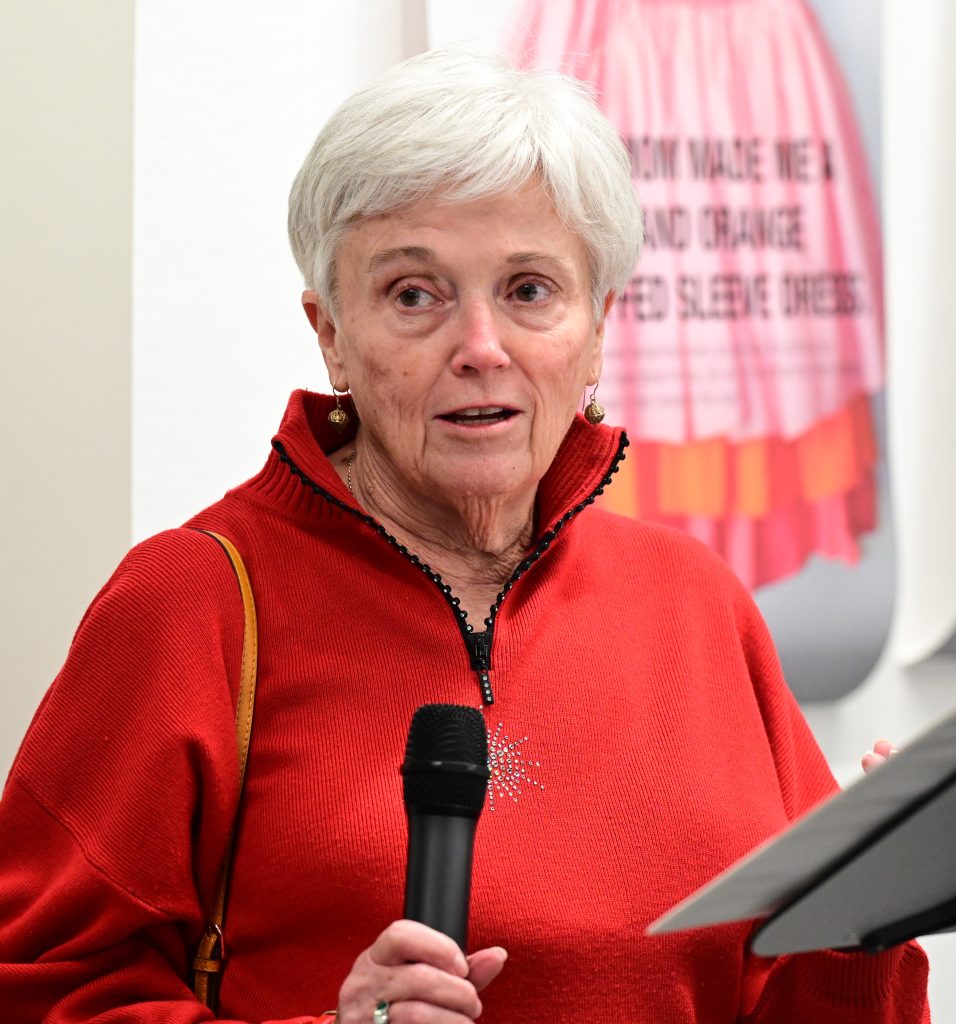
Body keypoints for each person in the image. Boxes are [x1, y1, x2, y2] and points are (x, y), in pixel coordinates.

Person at [0, 47, 929, 1024]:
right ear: (330, 332)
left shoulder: (696, 602)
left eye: (529, 290)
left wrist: (861, 920)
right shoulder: (192, 602)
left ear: (598, 326)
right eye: (414, 294)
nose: (479, 347)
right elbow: (37, 995)